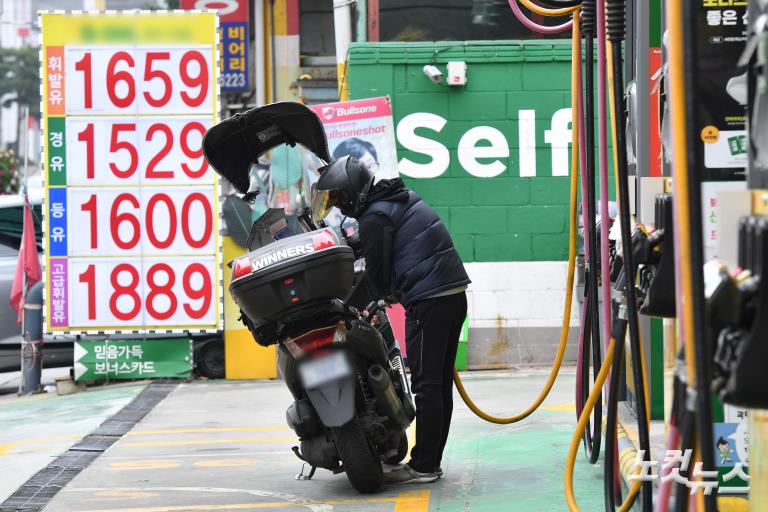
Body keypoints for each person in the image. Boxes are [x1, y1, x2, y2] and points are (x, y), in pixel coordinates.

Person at [312, 156, 471, 484]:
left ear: (354, 190)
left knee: (428, 386)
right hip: (448, 296)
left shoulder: (376, 214)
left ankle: (425, 465)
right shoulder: (393, 199)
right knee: (437, 385)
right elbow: (379, 248)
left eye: (339, 198)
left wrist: (349, 305)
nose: (339, 206)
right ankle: (430, 462)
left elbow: (376, 276)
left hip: (430, 301)